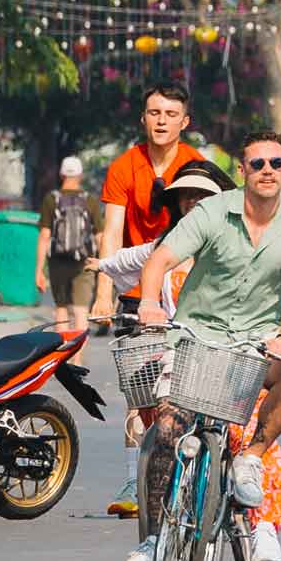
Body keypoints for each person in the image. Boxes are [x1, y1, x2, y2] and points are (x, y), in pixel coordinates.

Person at [131, 130, 281, 561]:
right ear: (243, 171)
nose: (267, 171)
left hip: (258, 342)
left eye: (275, 163)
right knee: (169, 428)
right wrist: (150, 303)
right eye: (258, 164)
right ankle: (155, 538)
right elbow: (158, 262)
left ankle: (251, 457)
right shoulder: (213, 212)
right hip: (197, 336)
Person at [96, 86, 215, 517]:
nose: (161, 120)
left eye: (171, 113)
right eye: (154, 112)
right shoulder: (124, 166)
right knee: (139, 393)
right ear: (143, 119)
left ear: (185, 122)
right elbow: (111, 233)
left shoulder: (198, 167)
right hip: (137, 292)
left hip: (192, 291)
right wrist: (103, 292)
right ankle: (134, 477)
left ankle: (205, 466)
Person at [41, 154, 94, 328]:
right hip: (84, 261)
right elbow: (101, 235)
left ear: (61, 174)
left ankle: (62, 353)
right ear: (80, 175)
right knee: (81, 311)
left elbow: (44, 235)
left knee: (61, 308)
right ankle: (77, 356)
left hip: (57, 261)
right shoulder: (89, 200)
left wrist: (38, 271)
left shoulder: (51, 199)